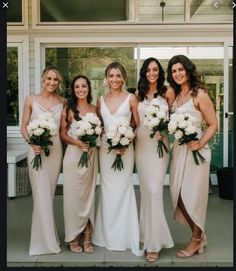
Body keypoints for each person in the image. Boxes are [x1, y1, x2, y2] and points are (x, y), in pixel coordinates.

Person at [167, 55, 218, 258]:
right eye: (173, 71)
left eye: (180, 69)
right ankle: (199, 235)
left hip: (197, 152)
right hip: (179, 151)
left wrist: (200, 143)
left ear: (188, 70)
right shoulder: (176, 95)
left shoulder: (200, 94)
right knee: (177, 196)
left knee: (193, 197)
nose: (177, 74)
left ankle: (196, 240)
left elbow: (214, 124)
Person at [92, 62, 143, 256]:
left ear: (123, 78)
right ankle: (105, 236)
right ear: (106, 78)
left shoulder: (132, 98)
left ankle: (124, 236)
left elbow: (138, 125)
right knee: (107, 190)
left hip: (126, 150)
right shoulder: (100, 100)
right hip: (106, 150)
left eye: (118, 75)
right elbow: (100, 127)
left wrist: (126, 140)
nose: (114, 79)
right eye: (111, 75)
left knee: (123, 189)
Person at [21, 66, 65, 256]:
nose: (52, 83)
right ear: (43, 79)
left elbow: (63, 130)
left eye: (55, 80)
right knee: (40, 195)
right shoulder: (31, 99)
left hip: (54, 151)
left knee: (49, 193)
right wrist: (31, 142)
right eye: (49, 79)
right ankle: (43, 243)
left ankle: (48, 239)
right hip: (36, 150)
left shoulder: (62, 101)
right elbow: (24, 126)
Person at [135, 57, 175, 262]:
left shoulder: (167, 92)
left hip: (160, 146)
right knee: (145, 192)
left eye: (155, 70)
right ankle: (146, 235)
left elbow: (175, 118)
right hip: (142, 146)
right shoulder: (137, 95)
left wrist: (165, 129)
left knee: (155, 191)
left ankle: (155, 243)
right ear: (144, 72)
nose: (152, 73)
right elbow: (135, 123)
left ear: (160, 72)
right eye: (149, 70)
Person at [60, 75, 98, 253]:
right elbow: (63, 134)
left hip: (90, 156)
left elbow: (100, 131)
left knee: (88, 196)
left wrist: (93, 138)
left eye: (84, 86)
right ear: (73, 90)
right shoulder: (68, 108)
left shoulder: (94, 108)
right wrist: (78, 143)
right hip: (74, 156)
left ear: (88, 88)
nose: (80, 89)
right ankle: (72, 236)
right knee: (72, 198)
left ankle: (87, 235)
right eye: (77, 87)